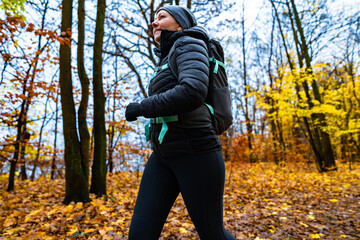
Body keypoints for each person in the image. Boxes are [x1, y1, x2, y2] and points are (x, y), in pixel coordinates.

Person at [125, 5, 237, 240]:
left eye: (162, 17)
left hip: (195, 150)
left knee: (213, 234)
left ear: (181, 24)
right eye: (154, 19)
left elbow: (192, 90)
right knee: (140, 235)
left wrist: (141, 106)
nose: (154, 23)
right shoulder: (169, 55)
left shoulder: (188, 43)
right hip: (164, 154)